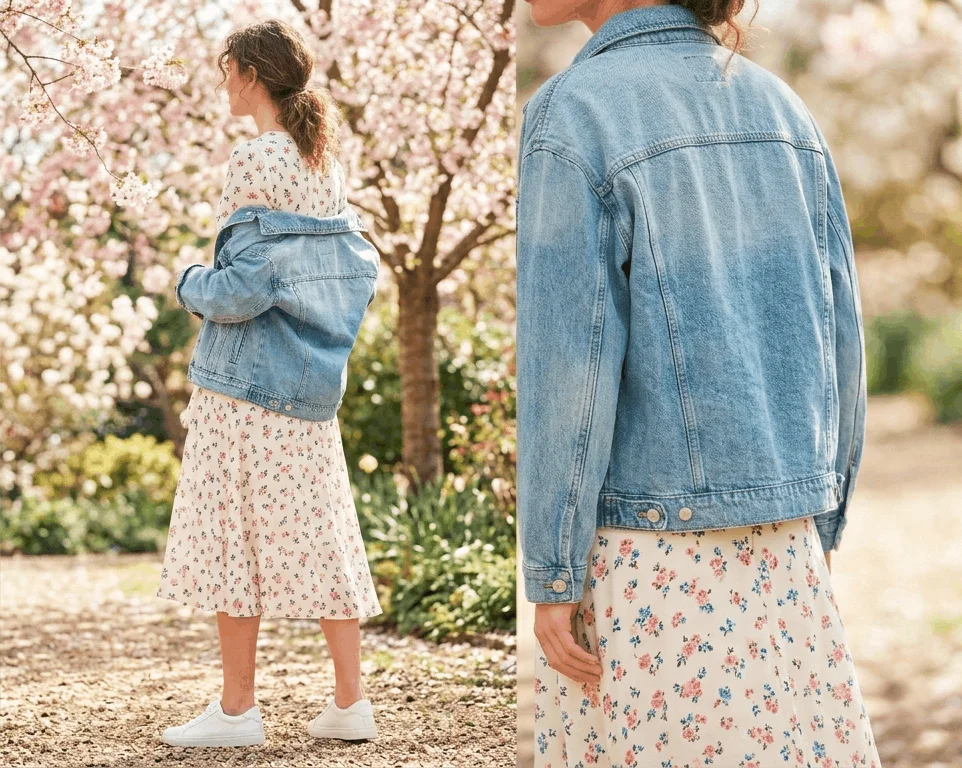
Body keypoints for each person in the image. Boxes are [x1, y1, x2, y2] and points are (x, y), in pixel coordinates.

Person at [516, 2, 882, 765]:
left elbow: (567, 368)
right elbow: (842, 336)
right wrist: (821, 518)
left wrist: (552, 573)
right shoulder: (782, 106)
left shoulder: (573, 111)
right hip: (786, 556)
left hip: (648, 560)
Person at [155, 19, 382, 748]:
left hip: (246, 388)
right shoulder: (324, 160)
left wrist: (187, 282)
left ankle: (237, 710)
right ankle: (350, 704)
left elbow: (242, 289)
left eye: (228, 70)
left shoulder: (255, 155)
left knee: (233, 542)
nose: (223, 83)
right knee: (322, 535)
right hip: (311, 388)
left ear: (251, 73)